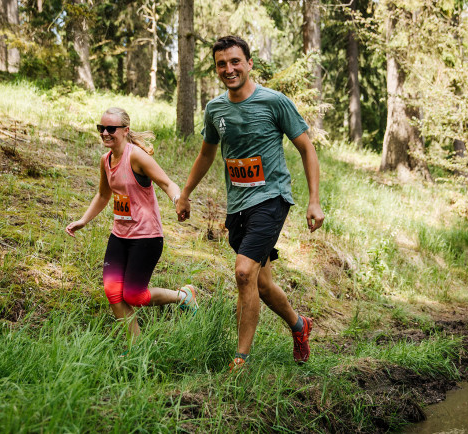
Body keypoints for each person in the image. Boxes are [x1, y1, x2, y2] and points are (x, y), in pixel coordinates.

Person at [175, 36, 325, 370]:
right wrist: (185, 194)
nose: (229, 69)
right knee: (261, 282)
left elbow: (307, 148)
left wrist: (314, 201)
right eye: (221, 64)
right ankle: (300, 325)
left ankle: (239, 359)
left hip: (272, 199)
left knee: (244, 273)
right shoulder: (215, 109)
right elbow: (206, 154)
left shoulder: (274, 102)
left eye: (235, 61)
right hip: (238, 205)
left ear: (249, 63)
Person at [66, 107, 198, 339]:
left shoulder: (135, 156)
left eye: (111, 129)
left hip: (146, 236)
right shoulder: (105, 161)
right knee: (112, 291)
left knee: (135, 296)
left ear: (125, 130)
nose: (105, 133)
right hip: (120, 235)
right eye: (101, 128)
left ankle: (183, 296)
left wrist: (178, 200)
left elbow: (167, 183)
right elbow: (103, 195)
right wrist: (83, 220)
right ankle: (135, 348)